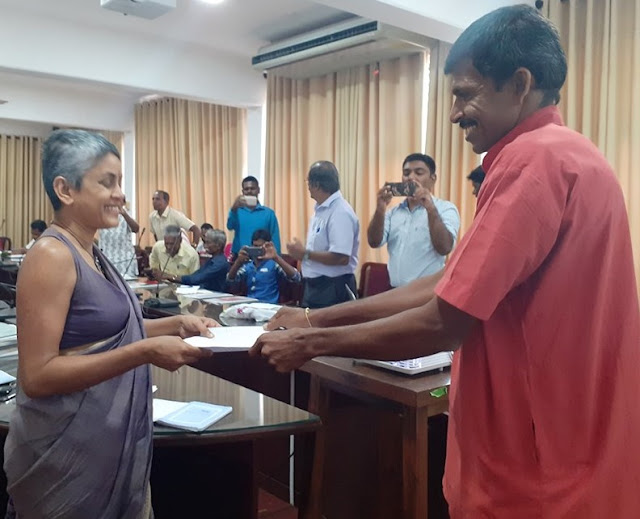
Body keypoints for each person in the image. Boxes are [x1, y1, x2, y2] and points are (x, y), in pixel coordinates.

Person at [250, 6, 640, 518]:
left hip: (534, 474)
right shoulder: (573, 154)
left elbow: (446, 320)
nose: (455, 114)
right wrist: (312, 318)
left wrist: (310, 344)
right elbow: (445, 282)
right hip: (578, 453)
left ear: (519, 84)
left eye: (465, 94)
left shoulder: (533, 161)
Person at [3, 129, 216, 519]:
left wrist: (175, 325)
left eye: (120, 182)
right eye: (108, 182)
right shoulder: (51, 254)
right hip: (67, 457)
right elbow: (38, 375)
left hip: (103, 442)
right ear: (65, 190)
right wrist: (145, 352)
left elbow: (108, 334)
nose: (121, 195)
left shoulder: (91, 250)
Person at [367, 153, 460, 287]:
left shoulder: (445, 209)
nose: (410, 177)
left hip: (426, 292)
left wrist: (430, 208)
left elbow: (445, 248)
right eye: (406, 173)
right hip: (395, 290)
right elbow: (374, 242)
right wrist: (380, 209)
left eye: (419, 173)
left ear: (433, 179)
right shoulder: (393, 212)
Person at [286, 161, 359, 308]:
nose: (308, 187)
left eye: (308, 182)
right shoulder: (320, 210)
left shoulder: (340, 212)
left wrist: (305, 254)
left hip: (333, 288)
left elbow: (341, 258)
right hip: (315, 287)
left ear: (317, 185)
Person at [227, 229, 301, 304]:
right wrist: (238, 262)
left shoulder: (274, 264)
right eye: (255, 246)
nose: (258, 249)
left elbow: (296, 277)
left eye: (261, 247)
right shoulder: (248, 265)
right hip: (249, 304)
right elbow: (230, 280)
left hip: (269, 305)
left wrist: (276, 257)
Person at [226, 176, 281, 257]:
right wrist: (233, 208)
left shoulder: (269, 213)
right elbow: (229, 227)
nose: (249, 191)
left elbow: (275, 238)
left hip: (262, 257)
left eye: (252, 188)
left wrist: (277, 258)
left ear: (258, 190)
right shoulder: (236, 211)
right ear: (243, 191)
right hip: (239, 257)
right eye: (246, 189)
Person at [98, 200, 140, 279]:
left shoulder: (125, 214)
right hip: (107, 259)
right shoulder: (100, 214)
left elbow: (136, 229)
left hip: (125, 261)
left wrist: (124, 214)